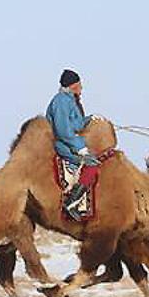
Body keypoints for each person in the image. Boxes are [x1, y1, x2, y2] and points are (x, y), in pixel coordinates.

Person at [46, 69, 97, 221]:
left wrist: (90, 119)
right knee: (91, 165)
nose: (81, 87)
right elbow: (63, 130)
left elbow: (76, 123)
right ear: (73, 85)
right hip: (64, 145)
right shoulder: (61, 101)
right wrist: (79, 147)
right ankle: (71, 202)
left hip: (71, 142)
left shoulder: (69, 100)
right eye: (79, 84)